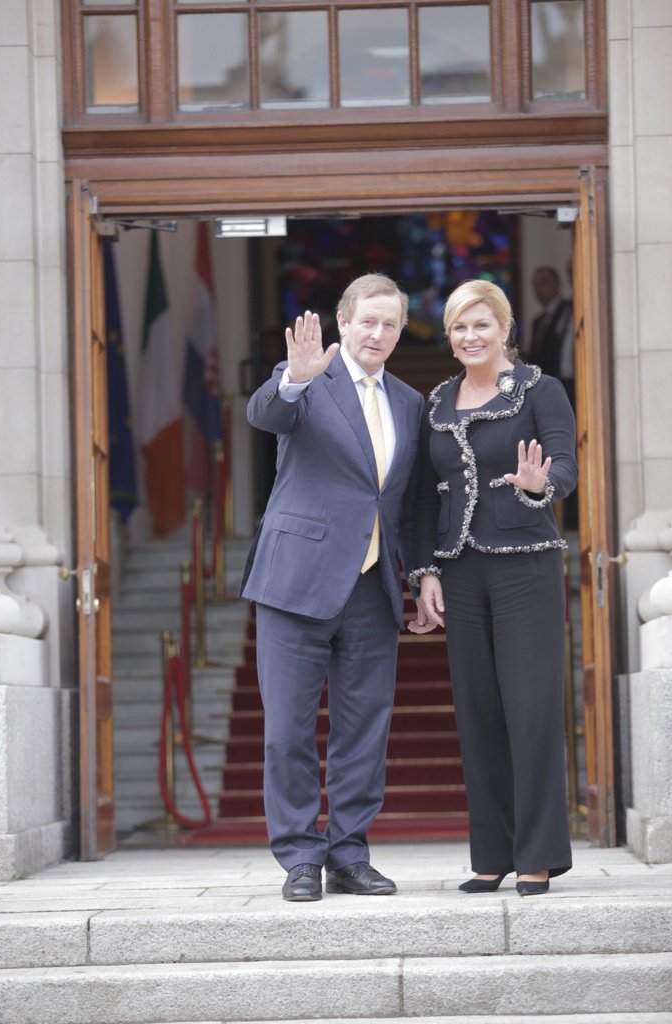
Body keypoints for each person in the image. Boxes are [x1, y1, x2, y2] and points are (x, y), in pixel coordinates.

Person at [241, 273, 424, 901]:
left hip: (373, 587)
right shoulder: (306, 377)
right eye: (367, 321)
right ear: (343, 323)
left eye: (390, 324)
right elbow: (266, 413)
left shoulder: (410, 402)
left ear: (400, 332)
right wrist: (294, 378)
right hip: (296, 581)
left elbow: (408, 503)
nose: (378, 333)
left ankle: (349, 853)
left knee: (363, 731)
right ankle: (299, 857)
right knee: (286, 730)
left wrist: (420, 573)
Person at [409, 279, 577, 897]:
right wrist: (424, 571)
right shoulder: (437, 401)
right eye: (459, 327)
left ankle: (537, 855)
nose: (470, 336)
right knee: (478, 713)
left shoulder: (541, 389)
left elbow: (565, 465)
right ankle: (492, 855)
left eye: (481, 324)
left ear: (505, 328)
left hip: (525, 567)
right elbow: (422, 499)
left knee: (531, 710)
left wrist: (538, 486)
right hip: (459, 571)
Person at [528, 265, 575, 408]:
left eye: (544, 283)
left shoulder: (569, 310)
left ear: (557, 284)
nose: (539, 289)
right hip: (544, 388)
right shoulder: (538, 321)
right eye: (535, 285)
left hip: (565, 383)